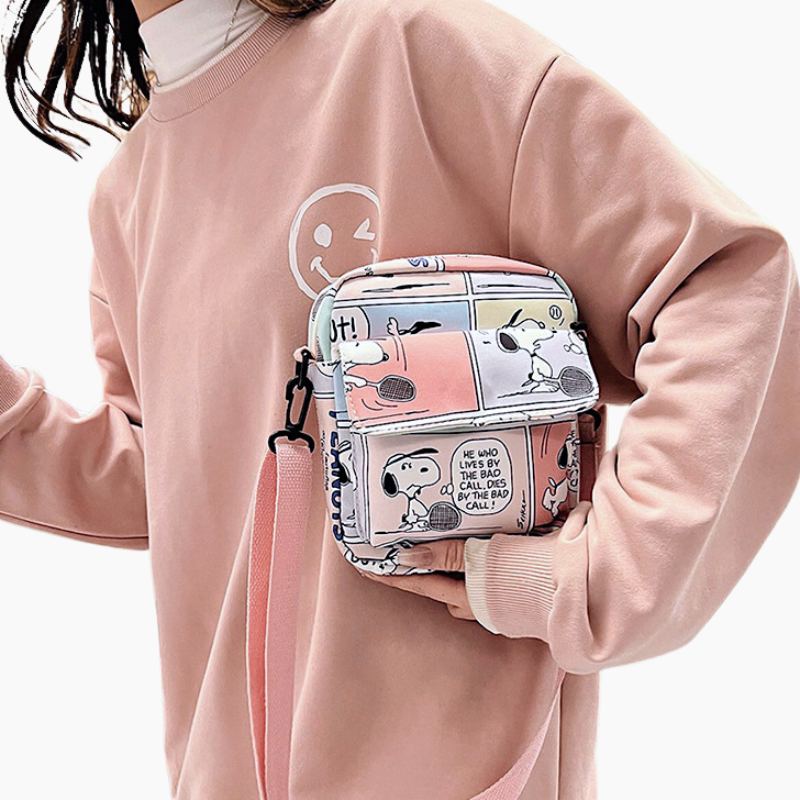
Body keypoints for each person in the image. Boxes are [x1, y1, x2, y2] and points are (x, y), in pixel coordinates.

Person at [1, 0, 798, 797]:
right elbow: (175, 474)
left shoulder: (415, 49)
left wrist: (601, 581)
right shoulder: (127, 192)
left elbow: (726, 280)